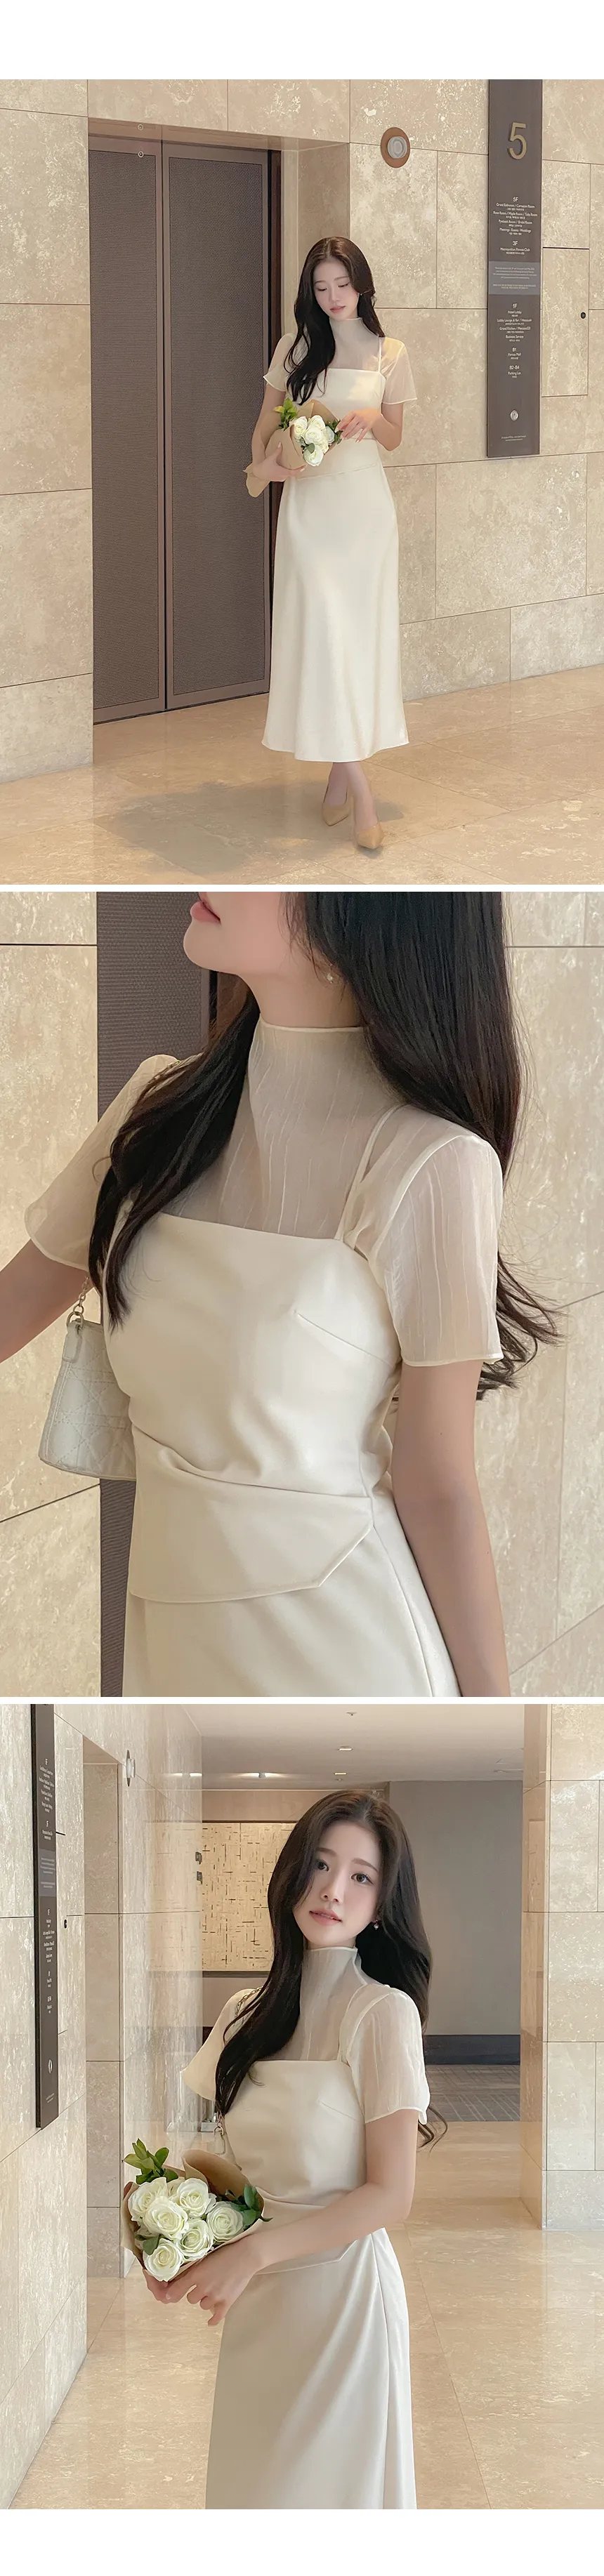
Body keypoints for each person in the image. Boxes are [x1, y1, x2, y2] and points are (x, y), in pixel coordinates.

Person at [1, 890, 556, 1699]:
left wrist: (491, 1732)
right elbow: (12, 1306)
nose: (213, 874)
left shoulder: (430, 1162)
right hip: (175, 1639)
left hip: (349, 1648)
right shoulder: (159, 1112)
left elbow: (437, 1484)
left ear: (366, 915)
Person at [148, 1788, 438, 2510]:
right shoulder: (242, 2015)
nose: (333, 1890)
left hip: (342, 2300)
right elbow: (223, 2167)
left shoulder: (382, 2014)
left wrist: (253, 2253)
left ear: (383, 1903)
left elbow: (390, 2195)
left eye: (361, 1876)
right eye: (320, 1864)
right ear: (291, 1872)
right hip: (260, 2303)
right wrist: (176, 2246)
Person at [251, 238, 417, 852]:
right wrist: (271, 461)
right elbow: (263, 425)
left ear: (362, 284)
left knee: (353, 645)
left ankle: (339, 776)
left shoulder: (390, 353)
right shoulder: (294, 348)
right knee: (322, 638)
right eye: (320, 288)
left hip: (365, 514)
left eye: (342, 285)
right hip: (310, 511)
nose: (332, 298)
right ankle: (362, 794)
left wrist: (373, 421)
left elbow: (395, 438)